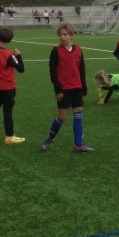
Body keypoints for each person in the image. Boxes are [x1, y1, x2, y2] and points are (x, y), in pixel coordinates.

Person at [41, 23, 93, 152]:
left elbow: (82, 70)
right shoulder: (56, 51)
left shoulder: (79, 50)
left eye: (65, 34)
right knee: (62, 117)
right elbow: (53, 72)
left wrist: (84, 87)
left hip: (77, 88)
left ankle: (78, 145)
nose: (62, 37)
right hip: (63, 90)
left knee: (78, 115)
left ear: (71, 35)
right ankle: (50, 137)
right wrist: (58, 90)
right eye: (60, 35)